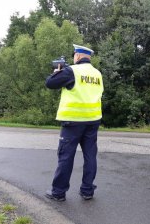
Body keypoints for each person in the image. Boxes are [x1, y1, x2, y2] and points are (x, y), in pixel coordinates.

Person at [45, 44, 104, 201]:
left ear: (77, 56)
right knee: (90, 156)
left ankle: (58, 192)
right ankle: (87, 190)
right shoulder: (97, 73)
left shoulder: (72, 71)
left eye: (74, 56)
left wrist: (56, 72)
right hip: (92, 120)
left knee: (66, 156)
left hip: (73, 122)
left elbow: (50, 83)